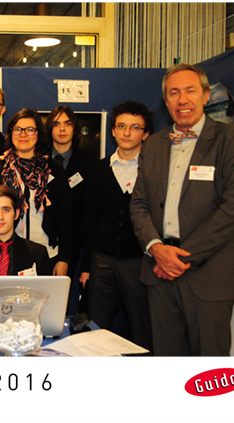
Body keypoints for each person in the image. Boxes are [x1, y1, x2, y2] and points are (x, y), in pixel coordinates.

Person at [129, 64, 234, 356]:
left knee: (210, 368)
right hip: (158, 275)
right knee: (168, 363)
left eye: (190, 91)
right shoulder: (153, 145)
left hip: (209, 277)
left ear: (205, 95)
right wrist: (157, 249)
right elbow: (139, 204)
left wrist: (178, 258)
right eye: (174, 93)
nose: (182, 100)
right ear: (166, 102)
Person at [79, 101, 154, 351]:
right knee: (96, 330)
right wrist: (87, 267)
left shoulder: (154, 170)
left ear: (145, 133)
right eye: (121, 126)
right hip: (103, 261)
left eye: (135, 127)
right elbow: (90, 221)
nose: (127, 132)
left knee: (143, 330)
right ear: (113, 131)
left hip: (140, 263)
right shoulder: (100, 169)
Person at [0, 108, 73, 276]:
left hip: (47, 253)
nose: (23, 134)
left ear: (39, 134)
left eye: (30, 129)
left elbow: (66, 216)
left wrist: (64, 258)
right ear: (11, 133)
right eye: (18, 129)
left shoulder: (52, 168)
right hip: (6, 253)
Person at [47, 105, 97, 314]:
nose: (62, 129)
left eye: (67, 124)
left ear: (74, 128)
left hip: (76, 245)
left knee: (65, 305)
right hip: (42, 240)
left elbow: (91, 211)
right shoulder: (38, 160)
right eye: (56, 124)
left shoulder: (89, 163)